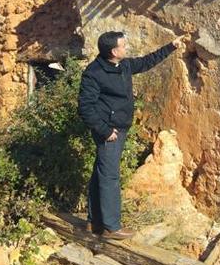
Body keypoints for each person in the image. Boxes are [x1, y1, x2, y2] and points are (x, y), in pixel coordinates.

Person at [78, 31, 186, 240]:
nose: (126, 49)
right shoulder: (94, 73)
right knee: (110, 176)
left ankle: (94, 221)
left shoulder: (124, 65)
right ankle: (111, 226)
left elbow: (147, 62)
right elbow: (85, 107)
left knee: (101, 172)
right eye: (123, 46)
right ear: (113, 51)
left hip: (120, 127)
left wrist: (171, 46)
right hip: (109, 131)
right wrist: (105, 130)